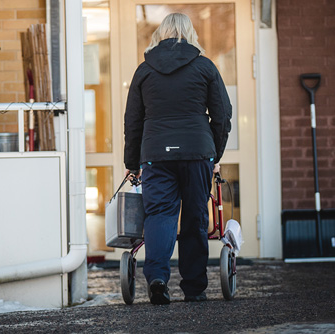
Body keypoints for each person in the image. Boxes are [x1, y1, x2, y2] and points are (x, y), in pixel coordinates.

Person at [123, 13, 232, 305]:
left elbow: (133, 121)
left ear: (161, 33)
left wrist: (132, 162)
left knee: (159, 214)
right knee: (195, 217)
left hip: (156, 155)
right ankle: (194, 287)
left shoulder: (144, 70)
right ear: (191, 33)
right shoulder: (205, 67)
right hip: (197, 153)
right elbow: (222, 115)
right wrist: (214, 153)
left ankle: (158, 279)